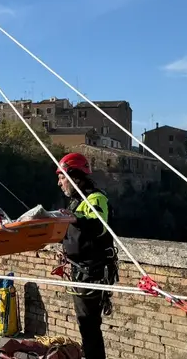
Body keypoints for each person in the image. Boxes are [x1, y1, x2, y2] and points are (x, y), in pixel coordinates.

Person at [57, 152, 117, 359]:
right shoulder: (75, 202)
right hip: (81, 269)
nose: (59, 183)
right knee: (86, 324)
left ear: (75, 177)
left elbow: (99, 225)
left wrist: (76, 218)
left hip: (92, 271)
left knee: (89, 325)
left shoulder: (95, 198)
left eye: (62, 177)